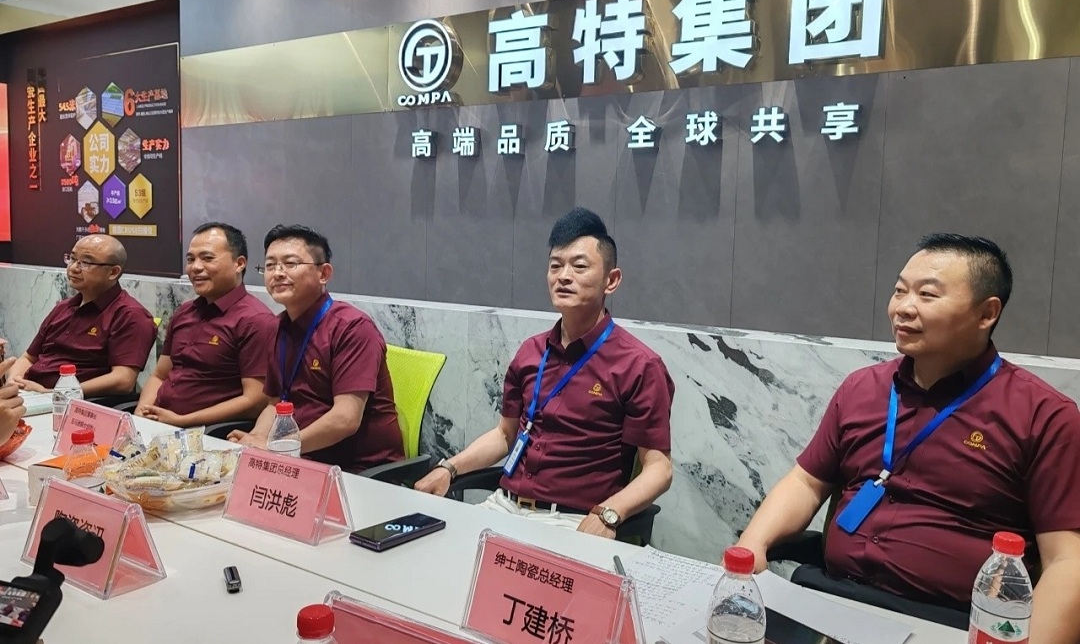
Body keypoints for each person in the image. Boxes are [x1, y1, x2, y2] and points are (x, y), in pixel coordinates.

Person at [738, 234, 1080, 637]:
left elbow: (1067, 560)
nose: (903, 307)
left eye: (927, 294)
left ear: (987, 313)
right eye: (900, 290)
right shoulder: (862, 388)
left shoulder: (1044, 416)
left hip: (948, 623)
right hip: (830, 601)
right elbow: (806, 482)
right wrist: (752, 545)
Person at [414, 208, 675, 538]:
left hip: (571, 520)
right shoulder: (531, 351)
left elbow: (659, 468)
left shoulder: (639, 365)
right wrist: (449, 468)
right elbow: (505, 435)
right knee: (426, 546)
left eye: (579, 266)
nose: (563, 276)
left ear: (611, 280)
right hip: (503, 505)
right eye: (555, 266)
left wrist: (609, 514)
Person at [227, 225, 404, 473]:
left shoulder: (351, 328)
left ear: (324, 273)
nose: (277, 273)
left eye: (290, 264)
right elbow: (275, 404)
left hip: (358, 471)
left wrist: (275, 447)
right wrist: (255, 440)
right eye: (270, 265)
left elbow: (345, 419)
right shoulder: (277, 327)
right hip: (298, 459)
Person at [135, 223, 277, 427]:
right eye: (190, 259)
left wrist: (182, 421)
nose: (195, 267)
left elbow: (255, 400)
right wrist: (141, 414)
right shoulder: (184, 312)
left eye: (207, 258)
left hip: (205, 432)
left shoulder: (256, 321)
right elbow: (159, 375)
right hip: (160, 425)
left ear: (239, 263)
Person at [1, 235, 156, 398]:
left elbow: (123, 381)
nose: (73, 268)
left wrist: (54, 394)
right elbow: (28, 358)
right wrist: (13, 382)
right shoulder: (63, 307)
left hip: (73, 402)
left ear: (113, 272)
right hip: (31, 395)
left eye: (86, 262)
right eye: (72, 259)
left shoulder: (130, 315)